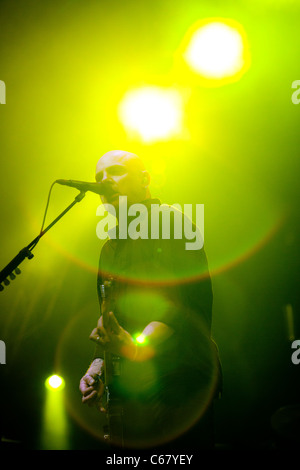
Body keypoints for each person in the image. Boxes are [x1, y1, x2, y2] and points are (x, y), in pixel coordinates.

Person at [79, 150, 222, 451]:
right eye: (98, 178)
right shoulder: (111, 247)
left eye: (116, 172)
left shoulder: (170, 222)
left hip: (179, 383)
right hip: (134, 390)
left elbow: (176, 307)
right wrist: (97, 367)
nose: (105, 181)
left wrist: (135, 347)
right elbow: (110, 318)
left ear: (144, 179)